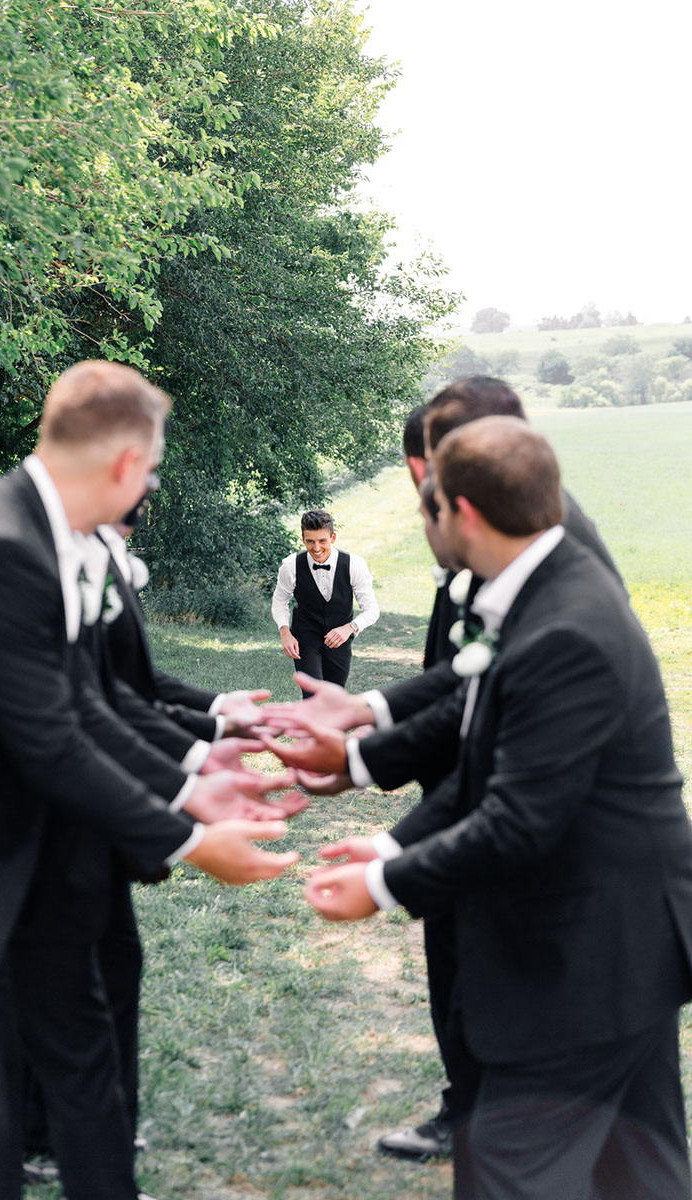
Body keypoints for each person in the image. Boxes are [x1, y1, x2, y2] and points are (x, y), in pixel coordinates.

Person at [0, 360, 299, 1200]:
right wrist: (188, 839)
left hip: (33, 867)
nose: (149, 486)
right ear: (124, 465)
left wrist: (191, 785)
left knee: (86, 1060)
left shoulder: (58, 541)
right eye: (150, 470)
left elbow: (94, 703)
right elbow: (50, 740)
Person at [269, 417, 692, 1200]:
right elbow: (478, 741)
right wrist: (389, 838)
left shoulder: (565, 625)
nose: (420, 519)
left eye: (426, 504)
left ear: (461, 513)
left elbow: (519, 817)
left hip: (592, 953)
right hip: (622, 940)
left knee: (505, 1173)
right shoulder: (537, 587)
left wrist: (384, 884)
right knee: (643, 1174)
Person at [271, 509, 379, 695]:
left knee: (334, 697)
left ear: (333, 537)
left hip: (340, 641)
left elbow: (372, 610)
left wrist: (349, 628)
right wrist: (284, 632)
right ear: (303, 539)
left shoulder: (354, 564)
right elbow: (280, 601)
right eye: (310, 541)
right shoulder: (291, 566)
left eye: (322, 541)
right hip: (304, 637)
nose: (317, 548)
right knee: (312, 695)